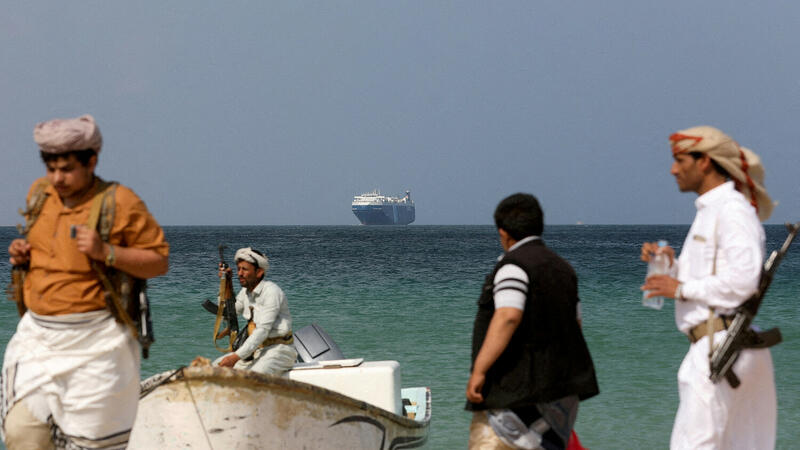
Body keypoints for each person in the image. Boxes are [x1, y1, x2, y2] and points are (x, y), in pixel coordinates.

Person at [2, 114, 169, 449]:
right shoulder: (41, 194)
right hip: (38, 338)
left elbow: (159, 261)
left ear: (91, 161)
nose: (57, 178)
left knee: (91, 444)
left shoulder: (119, 202)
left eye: (66, 169)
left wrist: (106, 251)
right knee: (22, 433)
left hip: (97, 342)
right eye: (51, 169)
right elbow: (52, 252)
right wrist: (24, 256)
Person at [641, 125, 777, 449]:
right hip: (725, 346)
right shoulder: (715, 211)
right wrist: (671, 268)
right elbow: (718, 275)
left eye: (680, 160)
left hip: (720, 349)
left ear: (704, 161)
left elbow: (744, 280)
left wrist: (680, 288)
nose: (673, 169)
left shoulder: (731, 211)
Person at [466, 193, 599, 450]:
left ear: (503, 232)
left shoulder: (512, 267)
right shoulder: (564, 269)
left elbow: (508, 316)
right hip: (560, 398)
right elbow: (576, 325)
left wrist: (479, 371)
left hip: (516, 397)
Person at [213, 247, 297, 375]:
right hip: (256, 352)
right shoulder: (245, 293)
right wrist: (226, 283)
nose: (240, 273)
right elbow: (228, 313)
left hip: (280, 351)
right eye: (238, 269)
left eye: (245, 269)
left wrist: (235, 357)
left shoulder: (271, 292)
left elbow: (262, 331)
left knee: (252, 377)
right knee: (213, 369)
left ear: (259, 272)